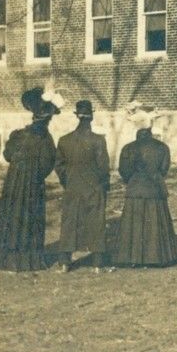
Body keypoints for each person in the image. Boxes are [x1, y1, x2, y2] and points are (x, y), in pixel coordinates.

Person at [0, 87, 61, 272]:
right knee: (31, 217)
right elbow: (49, 163)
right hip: (33, 186)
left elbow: (7, 155)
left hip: (14, 184)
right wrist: (35, 175)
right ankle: (29, 260)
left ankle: (9, 259)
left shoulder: (18, 136)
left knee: (13, 216)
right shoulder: (46, 140)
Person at [114, 104, 177, 267]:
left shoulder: (128, 148)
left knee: (133, 226)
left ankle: (132, 258)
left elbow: (124, 171)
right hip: (156, 191)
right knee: (155, 225)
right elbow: (164, 170)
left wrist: (134, 181)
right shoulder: (162, 147)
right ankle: (156, 258)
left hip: (135, 190)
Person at [56, 99, 110, 270]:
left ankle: (65, 262)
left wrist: (68, 181)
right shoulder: (98, 141)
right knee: (96, 223)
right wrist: (102, 184)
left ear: (76, 116)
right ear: (91, 116)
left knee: (69, 223)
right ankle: (97, 264)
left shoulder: (64, 140)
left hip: (73, 187)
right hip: (94, 188)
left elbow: (59, 166)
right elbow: (103, 167)